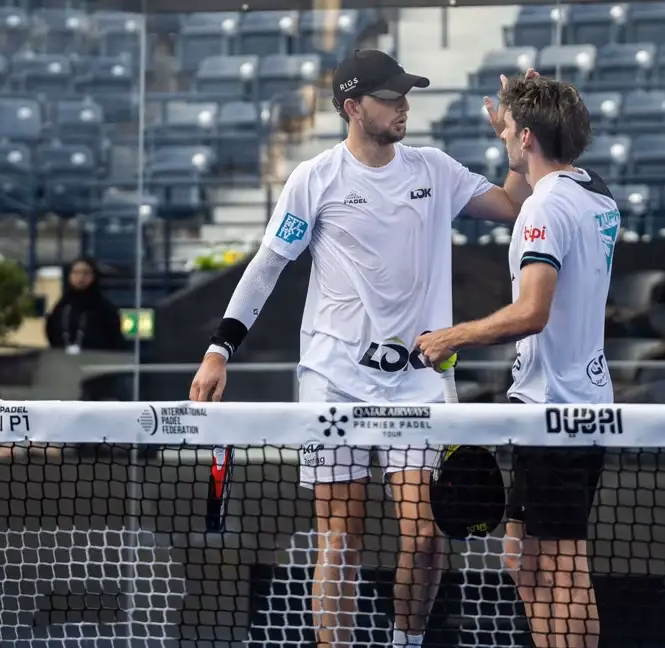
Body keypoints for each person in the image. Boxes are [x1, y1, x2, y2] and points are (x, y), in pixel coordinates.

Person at [189, 49, 531, 648]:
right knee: (339, 539)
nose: (403, 105)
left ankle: (404, 642)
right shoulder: (314, 179)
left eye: (406, 95)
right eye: (390, 96)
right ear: (352, 107)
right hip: (335, 380)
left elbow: (510, 205)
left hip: (418, 380)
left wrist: (514, 144)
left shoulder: (434, 169)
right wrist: (221, 347)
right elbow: (267, 267)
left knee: (424, 539)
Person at [415, 72, 614, 648]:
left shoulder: (543, 212)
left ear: (526, 139)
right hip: (571, 406)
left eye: (510, 133)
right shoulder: (594, 191)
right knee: (521, 559)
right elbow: (550, 152)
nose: (502, 137)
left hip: (557, 415)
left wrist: (453, 337)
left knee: (562, 568)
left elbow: (531, 312)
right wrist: (530, 110)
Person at [45, 257, 127, 353]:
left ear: (94, 276)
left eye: (86, 273)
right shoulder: (62, 307)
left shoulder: (105, 309)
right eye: (76, 273)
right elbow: (52, 332)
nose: (81, 277)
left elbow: (114, 339)